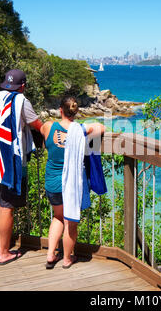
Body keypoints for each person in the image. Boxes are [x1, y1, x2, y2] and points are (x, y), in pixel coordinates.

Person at [0, 69, 43, 265]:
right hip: (8, 162)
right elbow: (38, 125)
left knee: (0, 202)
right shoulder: (20, 101)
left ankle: (0, 245)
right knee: (8, 206)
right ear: (23, 86)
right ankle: (5, 253)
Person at [41, 96, 105, 269]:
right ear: (76, 112)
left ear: (60, 110)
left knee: (58, 217)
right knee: (70, 222)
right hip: (70, 184)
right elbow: (101, 127)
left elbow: (42, 130)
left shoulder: (48, 127)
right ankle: (67, 259)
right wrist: (86, 127)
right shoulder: (81, 130)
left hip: (52, 182)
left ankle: (50, 255)